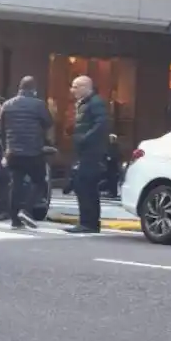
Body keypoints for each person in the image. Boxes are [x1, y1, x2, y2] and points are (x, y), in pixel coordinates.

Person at [0, 77, 53, 230]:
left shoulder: (7, 105)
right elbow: (48, 122)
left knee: (15, 185)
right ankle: (27, 210)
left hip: (13, 152)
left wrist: (5, 151)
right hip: (33, 151)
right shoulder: (38, 105)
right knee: (40, 181)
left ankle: (15, 220)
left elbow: (1, 131)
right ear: (33, 89)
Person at [68, 75, 109, 234]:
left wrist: (85, 139)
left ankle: (88, 222)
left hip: (91, 152)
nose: (73, 90)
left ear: (86, 87)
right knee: (85, 186)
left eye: (76, 87)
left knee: (85, 186)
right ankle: (89, 222)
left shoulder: (95, 102)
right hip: (85, 151)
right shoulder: (85, 104)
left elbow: (102, 124)